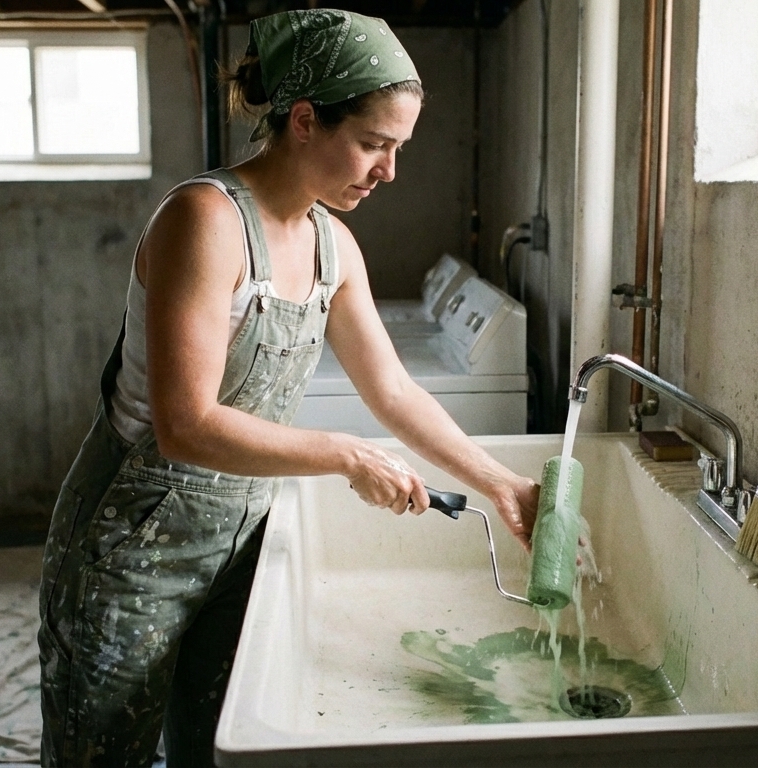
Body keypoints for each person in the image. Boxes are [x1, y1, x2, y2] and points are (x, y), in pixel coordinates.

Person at [37, 9, 540, 766]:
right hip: (130, 550)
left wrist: (502, 486)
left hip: (239, 547)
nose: (388, 171)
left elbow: (394, 392)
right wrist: (346, 456)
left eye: (397, 148)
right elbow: (186, 424)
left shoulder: (332, 245)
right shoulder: (204, 221)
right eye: (373, 143)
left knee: (218, 751)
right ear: (304, 119)